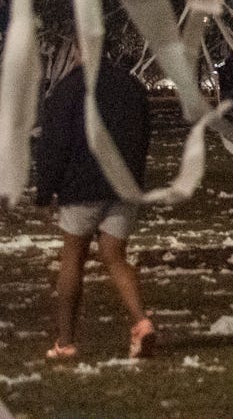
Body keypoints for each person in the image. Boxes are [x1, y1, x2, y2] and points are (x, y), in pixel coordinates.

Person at [32, 48, 156, 361]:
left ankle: (65, 341)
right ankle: (141, 321)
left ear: (77, 51)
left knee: (73, 258)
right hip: (123, 186)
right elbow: (143, 135)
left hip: (81, 186)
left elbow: (53, 144)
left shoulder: (67, 90)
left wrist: (46, 191)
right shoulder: (130, 86)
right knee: (115, 256)